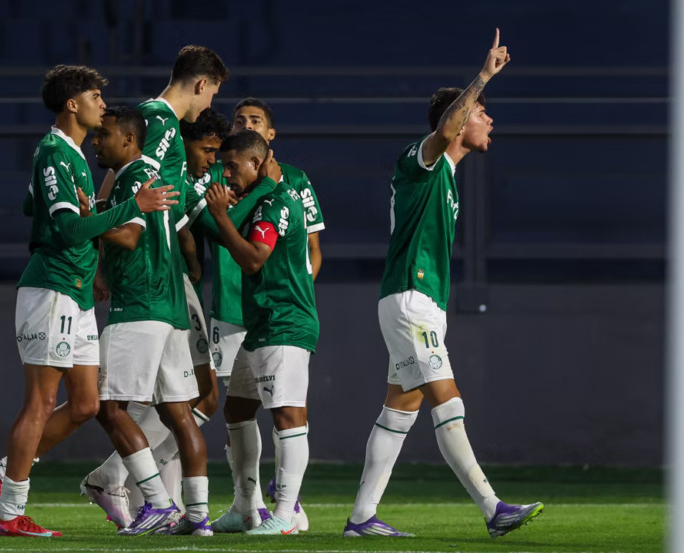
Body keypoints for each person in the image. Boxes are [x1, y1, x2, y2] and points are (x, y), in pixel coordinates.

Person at [343, 30, 543, 539]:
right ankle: (493, 508)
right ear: (455, 124)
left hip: (415, 302)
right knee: (447, 400)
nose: (488, 117)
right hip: (412, 301)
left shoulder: (448, 175)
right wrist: (482, 77)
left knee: (401, 407)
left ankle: (362, 517)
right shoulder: (422, 160)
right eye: (480, 111)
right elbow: (447, 124)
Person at [0, 65, 178, 538]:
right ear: (73, 105)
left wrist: (78, 209)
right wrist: (133, 206)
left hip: (76, 292)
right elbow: (65, 229)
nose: (101, 105)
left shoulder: (67, 156)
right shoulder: (54, 154)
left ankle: (3, 472)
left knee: (87, 404)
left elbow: (34, 205)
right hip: (52, 288)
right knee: (42, 401)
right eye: (94, 96)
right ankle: (9, 512)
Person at [88, 45, 229, 537]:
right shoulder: (160, 120)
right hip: (166, 289)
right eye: (212, 90)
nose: (207, 103)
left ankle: (155, 502)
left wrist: (95, 220)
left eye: (105, 136)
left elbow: (131, 185)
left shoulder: (155, 123)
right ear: (200, 82)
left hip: (146, 286)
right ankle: (195, 516)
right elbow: (137, 188)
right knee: (179, 409)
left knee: (108, 404)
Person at [210, 98, 324, 533]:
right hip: (259, 323)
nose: (226, 174)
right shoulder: (257, 198)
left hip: (283, 322)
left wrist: (220, 216)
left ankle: (286, 516)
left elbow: (255, 259)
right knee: (237, 410)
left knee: (288, 415)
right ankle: (245, 507)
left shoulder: (275, 201)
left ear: (257, 163)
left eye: (233, 167)